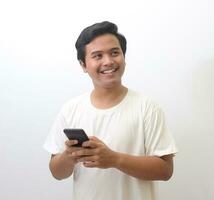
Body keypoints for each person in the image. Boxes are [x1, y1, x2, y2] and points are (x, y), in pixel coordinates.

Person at [43, 21, 178, 200]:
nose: (108, 61)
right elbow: (57, 173)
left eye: (115, 53)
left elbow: (165, 170)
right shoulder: (70, 109)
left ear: (123, 56)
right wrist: (69, 156)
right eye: (97, 56)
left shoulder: (147, 107)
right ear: (83, 64)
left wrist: (114, 159)